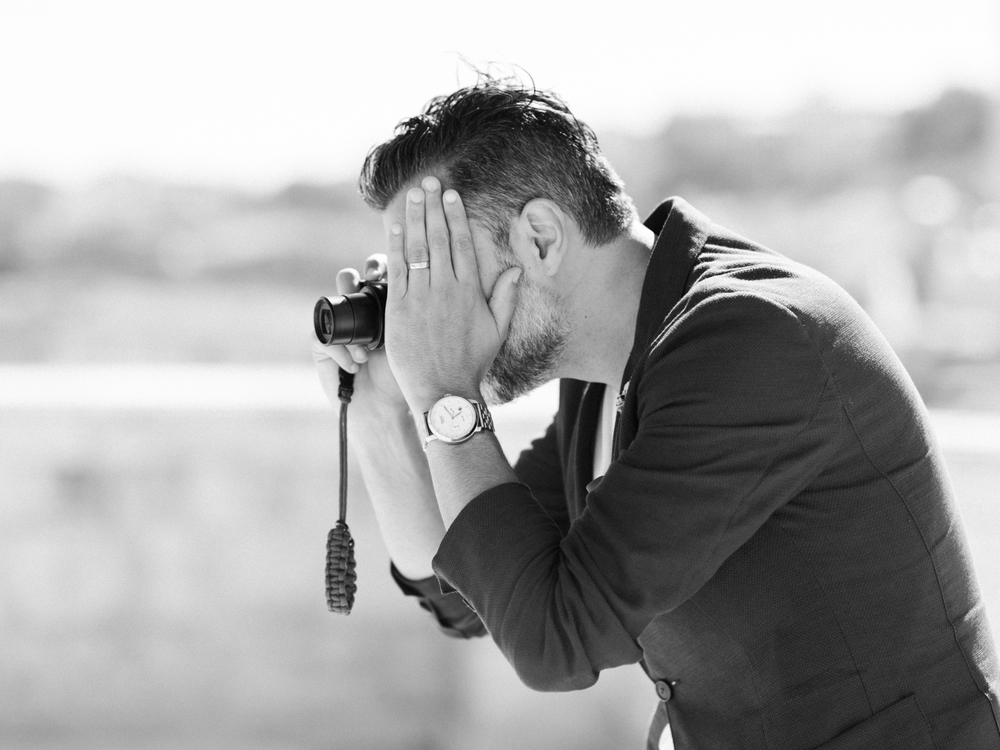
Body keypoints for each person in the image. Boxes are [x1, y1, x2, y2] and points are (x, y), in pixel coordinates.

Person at [312, 75, 1000, 749]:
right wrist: (385, 408)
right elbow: (476, 592)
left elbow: (557, 642)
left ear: (542, 238)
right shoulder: (603, 372)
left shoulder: (749, 339)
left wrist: (445, 393)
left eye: (435, 266)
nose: (423, 306)